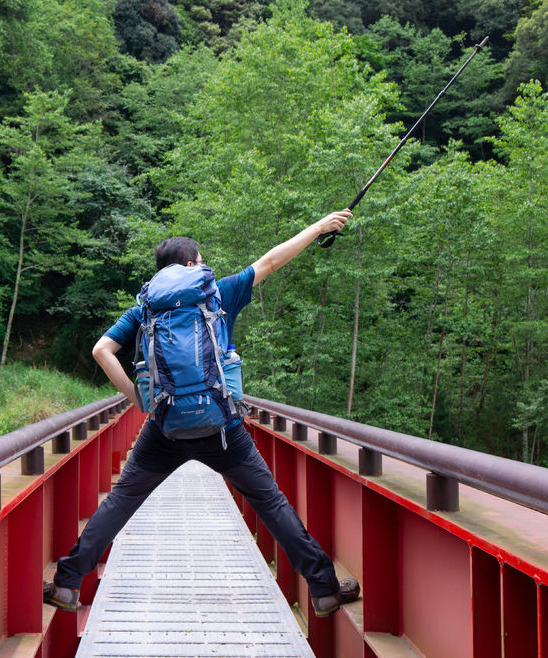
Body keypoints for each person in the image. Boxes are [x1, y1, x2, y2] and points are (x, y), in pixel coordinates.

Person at [44, 209, 360, 618]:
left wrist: (140, 401)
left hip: (165, 429)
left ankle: (68, 585)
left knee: (121, 501)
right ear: (193, 263)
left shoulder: (145, 309)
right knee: (271, 503)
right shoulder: (217, 294)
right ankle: (324, 590)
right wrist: (318, 227)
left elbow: (101, 350)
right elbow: (271, 261)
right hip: (224, 428)